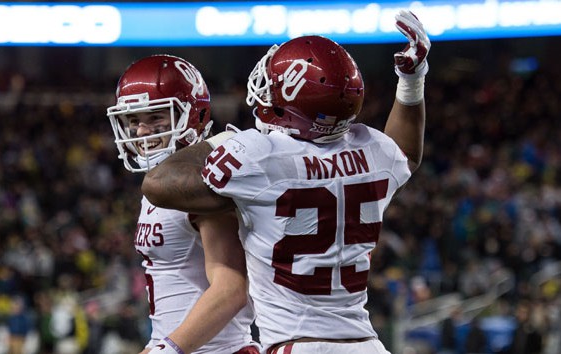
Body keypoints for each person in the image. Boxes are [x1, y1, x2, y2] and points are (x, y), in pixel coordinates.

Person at [142, 10, 430, 354]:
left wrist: (217, 140)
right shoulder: (372, 148)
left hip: (299, 345)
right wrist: (412, 81)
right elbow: (406, 154)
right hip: (367, 344)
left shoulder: (258, 154)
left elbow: (157, 183)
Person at [107, 54, 259, 354]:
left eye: (155, 118)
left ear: (194, 116)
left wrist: (171, 348)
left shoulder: (198, 183)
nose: (141, 131)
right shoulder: (162, 183)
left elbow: (230, 289)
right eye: (134, 120)